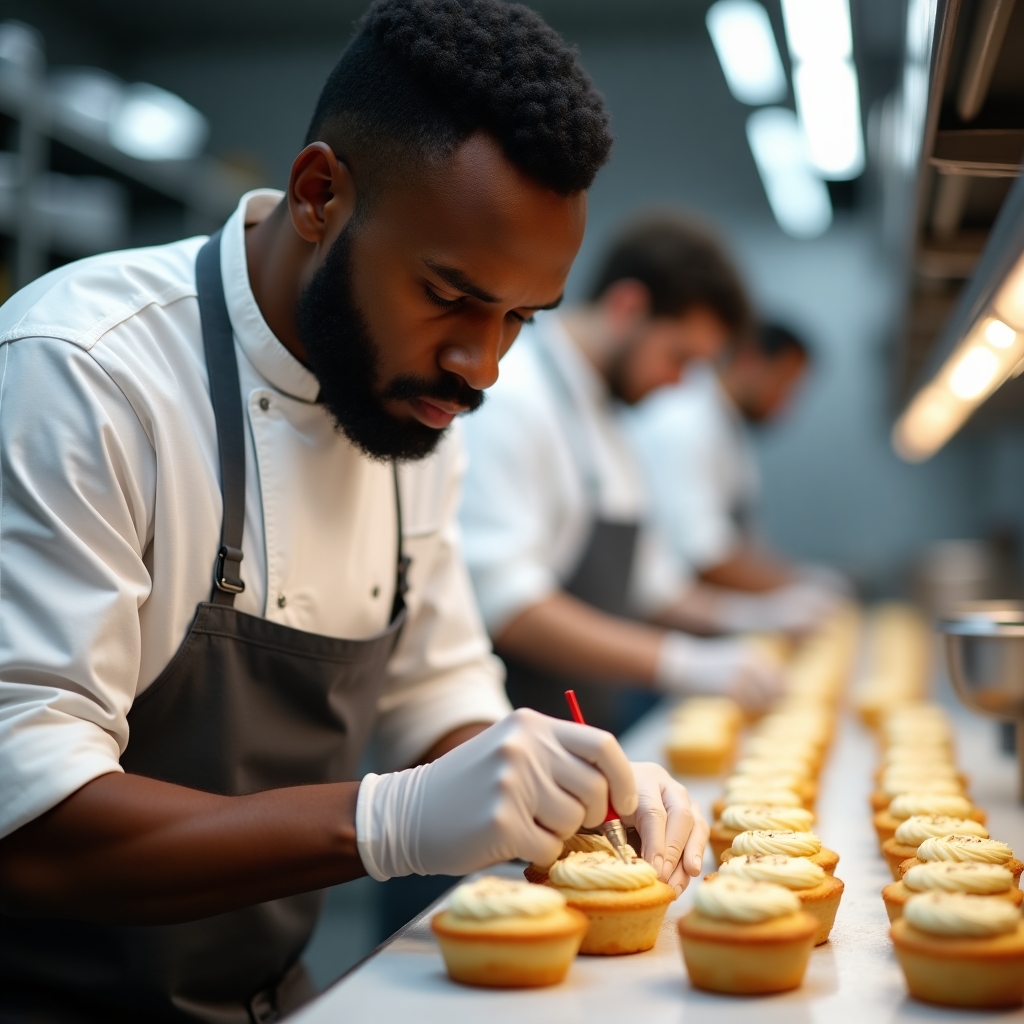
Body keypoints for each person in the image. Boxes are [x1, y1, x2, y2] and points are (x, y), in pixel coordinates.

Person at [0, 4, 708, 1021]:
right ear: (319, 192)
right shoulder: (86, 375)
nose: (482, 368)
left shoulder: (412, 409)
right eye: (448, 293)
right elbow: (29, 821)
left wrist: (561, 780)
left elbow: (435, 692)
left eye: (519, 318)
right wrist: (389, 820)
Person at [459, 217, 817, 737]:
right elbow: (509, 603)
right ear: (628, 308)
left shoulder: (615, 422)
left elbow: (654, 589)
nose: (678, 384)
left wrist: (755, 616)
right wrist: (682, 664)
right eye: (678, 357)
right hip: (506, 736)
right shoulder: (514, 397)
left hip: (584, 732)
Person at [625, 320, 845, 601]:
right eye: (784, 384)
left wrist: (799, 580)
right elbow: (705, 555)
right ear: (749, 360)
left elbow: (739, 544)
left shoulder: (729, 427)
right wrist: (798, 588)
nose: (786, 404)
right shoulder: (683, 419)